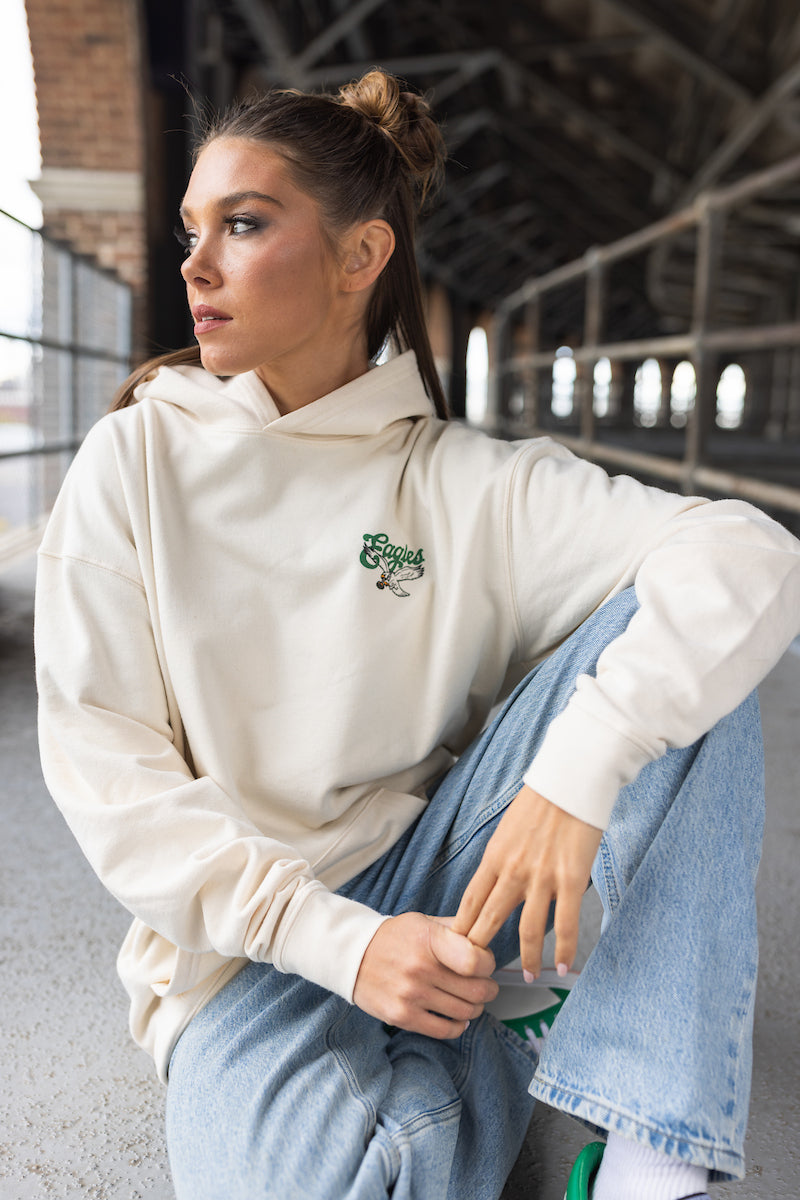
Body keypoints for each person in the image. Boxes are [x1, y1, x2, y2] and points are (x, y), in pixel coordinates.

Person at [34, 69, 800, 1200]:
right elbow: (110, 769)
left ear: (361, 255)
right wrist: (345, 947)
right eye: (192, 229)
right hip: (251, 951)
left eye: (243, 224)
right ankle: (498, 1048)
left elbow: (749, 551)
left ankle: (648, 1162)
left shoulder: (464, 483)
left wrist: (577, 777)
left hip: (448, 879)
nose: (193, 264)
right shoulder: (135, 459)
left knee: (685, 631)